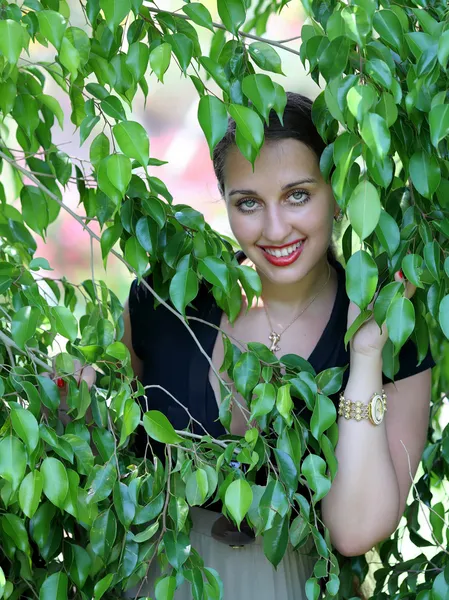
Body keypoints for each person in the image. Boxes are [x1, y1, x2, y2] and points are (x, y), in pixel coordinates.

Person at [70, 93, 434, 598]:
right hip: (155, 579)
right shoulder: (166, 299)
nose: (275, 228)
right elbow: (98, 464)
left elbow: (353, 531)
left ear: (337, 190)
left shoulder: (390, 326)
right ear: (224, 201)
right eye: (248, 203)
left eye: (298, 195)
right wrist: (70, 406)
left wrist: (366, 357)